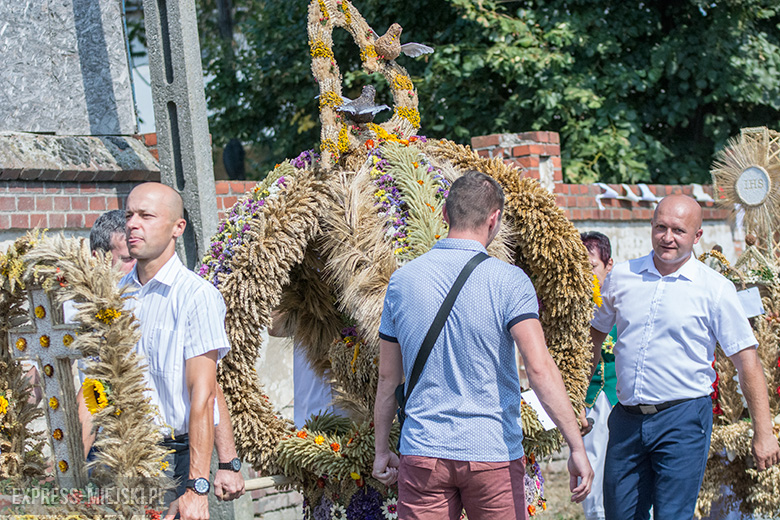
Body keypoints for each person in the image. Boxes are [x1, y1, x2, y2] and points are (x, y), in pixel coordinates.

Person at [372, 170, 593, 519]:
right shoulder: (509, 281)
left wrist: (381, 450)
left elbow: (388, 380)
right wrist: (576, 446)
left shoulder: (402, 281)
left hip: (423, 450)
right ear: (494, 219)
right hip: (491, 452)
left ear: (444, 215)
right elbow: (539, 368)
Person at [590, 194, 780, 519]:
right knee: (619, 514)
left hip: (682, 419)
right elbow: (594, 338)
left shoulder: (715, 289)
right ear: (650, 226)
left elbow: (747, 360)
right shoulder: (622, 277)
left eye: (678, 230)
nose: (667, 237)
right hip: (627, 419)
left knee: (673, 515)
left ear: (697, 235)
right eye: (660, 227)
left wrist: (763, 432)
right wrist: (577, 397)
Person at [121, 182, 244, 520]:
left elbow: (203, 393)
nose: (133, 224)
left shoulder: (196, 296)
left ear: (178, 227)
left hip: (173, 460)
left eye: (146, 216)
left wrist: (197, 486)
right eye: (129, 215)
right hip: (120, 455)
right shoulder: (116, 296)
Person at [577, 231, 616, 520]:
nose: (585, 273)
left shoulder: (622, 302)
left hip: (620, 397)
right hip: (588, 401)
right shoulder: (573, 308)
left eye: (591, 266)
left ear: (608, 265)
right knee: (591, 461)